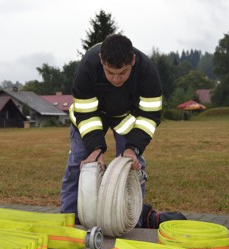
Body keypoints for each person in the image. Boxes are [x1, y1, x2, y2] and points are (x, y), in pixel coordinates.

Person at [60, 34, 163, 226]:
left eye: (123, 73)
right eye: (109, 72)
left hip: (125, 118)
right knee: (79, 165)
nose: (116, 79)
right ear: (101, 60)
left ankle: (133, 222)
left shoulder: (148, 72)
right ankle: (69, 219)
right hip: (90, 117)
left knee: (132, 166)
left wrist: (133, 148)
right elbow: (85, 113)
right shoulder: (87, 68)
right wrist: (95, 149)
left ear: (132, 61)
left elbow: (150, 116)